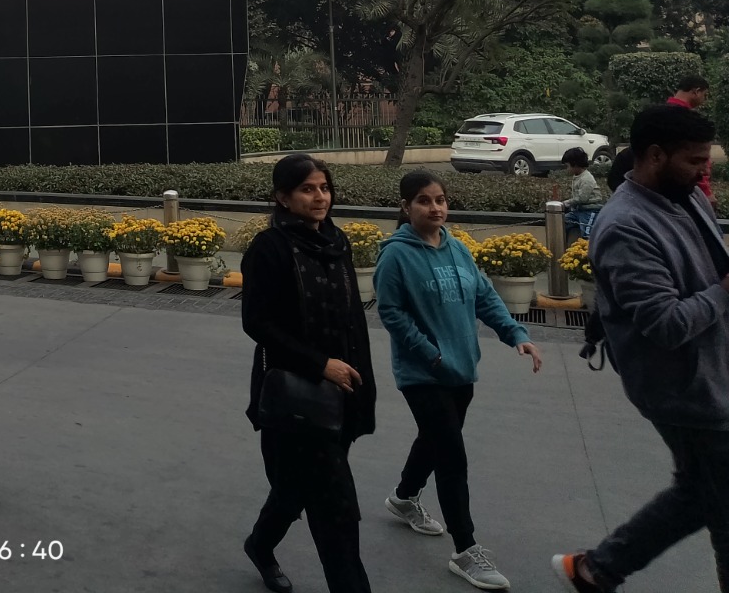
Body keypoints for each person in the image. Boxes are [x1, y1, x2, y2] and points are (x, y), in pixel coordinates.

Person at [552, 103, 729, 592]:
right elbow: (665, 324)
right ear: (655, 155)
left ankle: (596, 569)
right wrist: (723, 293)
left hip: (714, 372)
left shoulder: (686, 195)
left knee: (702, 493)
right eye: (694, 160)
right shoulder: (624, 226)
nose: (703, 172)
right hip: (685, 390)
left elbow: (711, 268)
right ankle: (597, 568)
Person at [376, 170, 543, 590]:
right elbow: (391, 312)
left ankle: (403, 498)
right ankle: (466, 549)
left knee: (434, 441)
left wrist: (515, 335)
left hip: (462, 368)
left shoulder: (457, 249)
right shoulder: (395, 255)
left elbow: (483, 295)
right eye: (424, 201)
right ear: (405, 207)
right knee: (452, 456)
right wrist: (430, 353)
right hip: (423, 373)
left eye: (440, 200)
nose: (435, 208)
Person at [241, 153, 376, 593]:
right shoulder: (271, 248)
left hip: (341, 393)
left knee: (293, 491)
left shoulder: (336, 241)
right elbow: (257, 323)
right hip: (297, 399)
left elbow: (353, 317)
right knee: (336, 509)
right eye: (307, 189)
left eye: (324, 188)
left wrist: (362, 387)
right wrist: (321, 365)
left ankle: (260, 545)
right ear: (282, 197)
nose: (320, 197)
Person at [667, 74, 713, 204]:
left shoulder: (661, 115)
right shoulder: (687, 120)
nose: (704, 100)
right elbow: (695, 159)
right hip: (690, 188)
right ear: (696, 91)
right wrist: (706, 192)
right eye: (705, 95)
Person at [561, 147, 604, 242]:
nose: (566, 169)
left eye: (567, 166)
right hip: (579, 210)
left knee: (587, 234)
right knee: (561, 222)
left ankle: (587, 255)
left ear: (575, 164)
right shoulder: (577, 176)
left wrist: (566, 203)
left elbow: (582, 198)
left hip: (590, 210)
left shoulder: (586, 178)